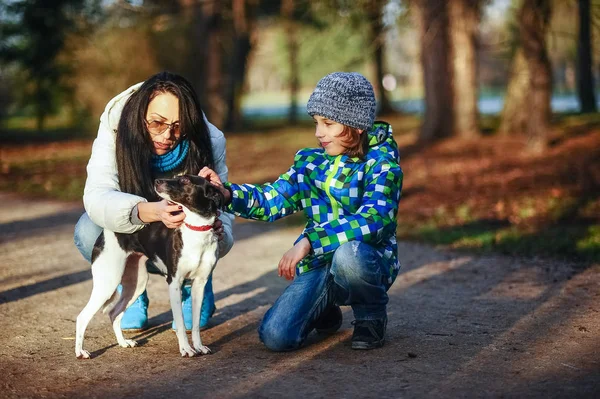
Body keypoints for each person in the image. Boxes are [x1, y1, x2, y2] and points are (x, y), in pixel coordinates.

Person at [201, 72, 403, 351]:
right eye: (316, 123)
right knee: (276, 337)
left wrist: (310, 241)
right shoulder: (310, 163)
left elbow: (375, 219)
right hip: (320, 265)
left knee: (348, 254)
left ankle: (370, 316)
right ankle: (322, 308)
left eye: (328, 123)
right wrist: (227, 193)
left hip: (365, 261)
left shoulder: (381, 166)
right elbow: (272, 199)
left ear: (356, 126)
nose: (319, 132)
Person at [73, 71, 234, 331]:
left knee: (208, 237)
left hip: (185, 236)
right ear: (140, 114)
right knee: (88, 230)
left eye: (179, 127)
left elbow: (222, 210)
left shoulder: (209, 139)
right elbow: (97, 195)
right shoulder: (115, 126)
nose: (167, 135)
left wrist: (218, 231)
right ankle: (131, 287)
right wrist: (144, 210)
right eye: (157, 123)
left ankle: (195, 282)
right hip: (138, 227)